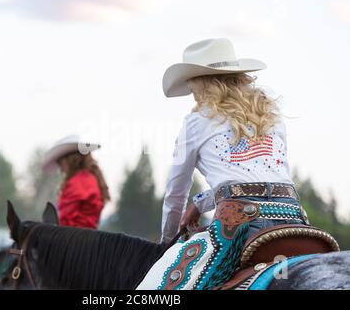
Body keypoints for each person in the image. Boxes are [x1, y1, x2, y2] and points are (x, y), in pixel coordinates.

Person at [137, 38, 308, 290]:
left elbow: (176, 194)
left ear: (200, 82)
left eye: (192, 86)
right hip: (293, 217)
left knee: (154, 289)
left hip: (242, 225)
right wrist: (201, 202)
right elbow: (269, 179)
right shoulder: (271, 116)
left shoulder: (196, 122)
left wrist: (166, 242)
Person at [42, 135, 110, 229]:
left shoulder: (78, 182)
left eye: (60, 162)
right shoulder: (90, 178)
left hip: (75, 240)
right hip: (88, 238)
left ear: (70, 159)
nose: (60, 169)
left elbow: (66, 222)